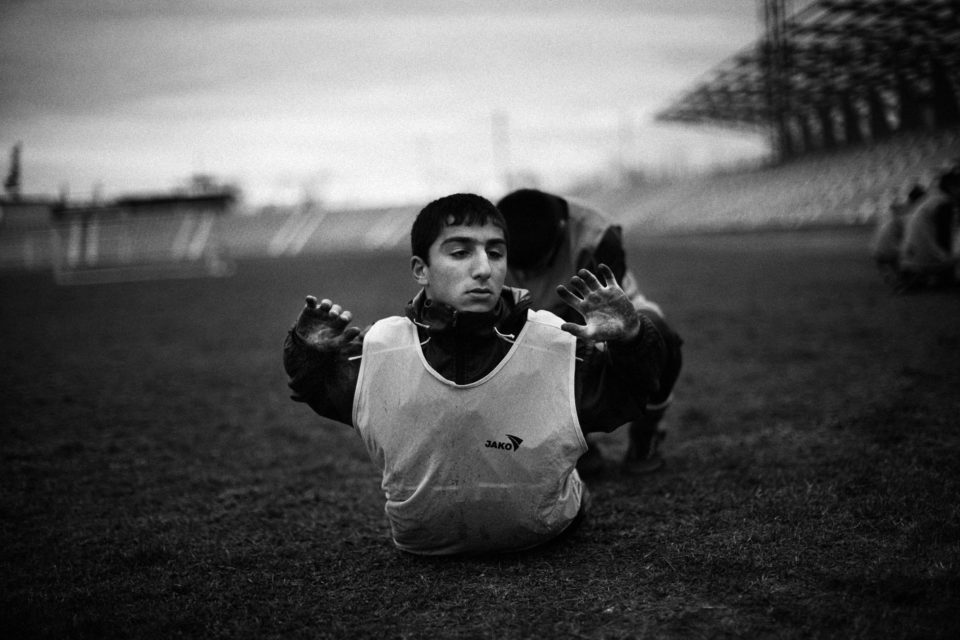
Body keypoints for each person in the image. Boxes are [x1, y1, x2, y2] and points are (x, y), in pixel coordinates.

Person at [283, 193, 671, 556]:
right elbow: (317, 388)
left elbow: (630, 393)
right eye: (460, 252)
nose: (484, 268)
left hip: (537, 532)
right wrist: (309, 352)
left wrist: (632, 338)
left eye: (496, 252)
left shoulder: (554, 339)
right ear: (421, 269)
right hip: (454, 542)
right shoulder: (382, 348)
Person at [495, 189, 683, 474]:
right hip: (530, 320)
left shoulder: (595, 237)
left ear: (560, 234)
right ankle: (576, 445)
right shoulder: (486, 238)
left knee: (658, 336)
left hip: (599, 317)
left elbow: (600, 322)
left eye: (538, 267)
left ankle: (646, 435)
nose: (528, 276)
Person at [897, 166, 960, 291]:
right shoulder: (944, 202)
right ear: (952, 187)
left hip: (909, 261)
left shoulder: (932, 200)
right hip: (925, 262)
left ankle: (923, 278)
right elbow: (945, 239)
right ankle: (941, 278)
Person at [870, 183, 925, 290]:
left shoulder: (896, 211)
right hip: (890, 251)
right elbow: (910, 235)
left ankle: (897, 277)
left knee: (900, 248)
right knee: (915, 251)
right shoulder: (911, 212)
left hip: (875, 250)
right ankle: (906, 281)